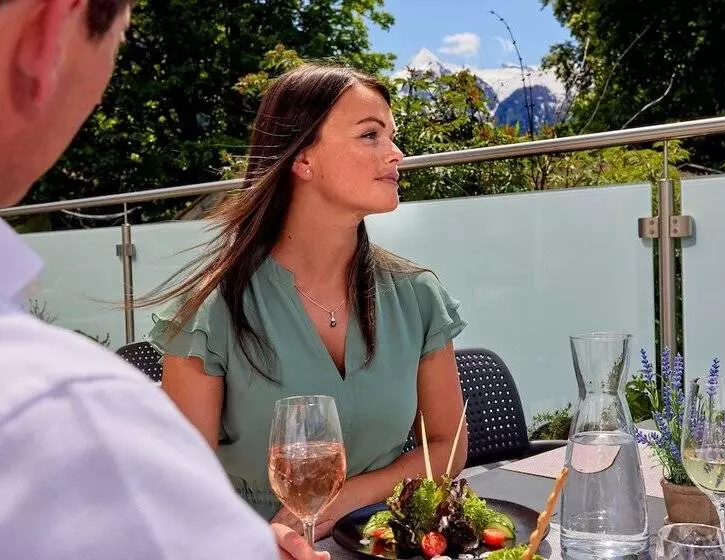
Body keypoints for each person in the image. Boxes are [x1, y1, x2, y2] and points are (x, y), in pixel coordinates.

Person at [0, 1, 322, 558]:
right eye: (118, 45)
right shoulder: (76, 430)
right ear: (50, 30)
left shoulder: (410, 294)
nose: (397, 154)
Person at [143, 63, 469, 537]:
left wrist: (349, 497)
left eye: (392, 137)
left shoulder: (416, 295)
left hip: (387, 543)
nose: (396, 154)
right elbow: (176, 487)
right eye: (370, 135)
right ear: (302, 160)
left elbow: (448, 444)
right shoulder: (211, 312)